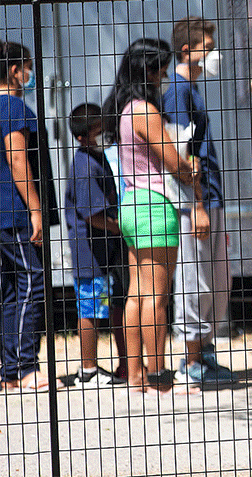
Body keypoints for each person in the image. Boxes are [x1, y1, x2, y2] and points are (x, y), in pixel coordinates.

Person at [105, 38, 201, 393]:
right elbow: (173, 161)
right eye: (162, 68)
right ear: (148, 69)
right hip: (156, 206)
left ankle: (135, 375)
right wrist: (190, 169)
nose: (165, 75)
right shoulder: (145, 110)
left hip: (131, 204)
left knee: (136, 295)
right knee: (157, 298)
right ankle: (159, 376)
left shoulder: (124, 108)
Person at [163, 16, 235, 384]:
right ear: (187, 51)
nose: (213, 55)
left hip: (210, 196)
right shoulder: (176, 91)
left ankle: (205, 351)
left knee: (216, 279)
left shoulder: (191, 89)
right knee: (194, 279)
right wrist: (198, 206)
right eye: (207, 49)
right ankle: (191, 360)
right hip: (195, 202)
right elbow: (182, 154)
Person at [0, 41, 60, 391]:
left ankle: (10, 370)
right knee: (32, 282)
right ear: (14, 70)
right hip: (15, 214)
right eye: (28, 66)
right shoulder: (13, 107)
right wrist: (36, 209)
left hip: (4, 214)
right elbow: (18, 158)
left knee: (10, 290)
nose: (31, 73)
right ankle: (24, 366)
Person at [65, 103, 128, 386]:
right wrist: (122, 228)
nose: (105, 137)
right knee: (90, 309)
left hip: (103, 250)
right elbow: (93, 216)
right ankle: (87, 370)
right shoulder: (86, 166)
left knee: (106, 305)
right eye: (98, 132)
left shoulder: (96, 158)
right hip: (90, 252)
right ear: (82, 138)